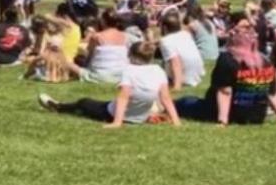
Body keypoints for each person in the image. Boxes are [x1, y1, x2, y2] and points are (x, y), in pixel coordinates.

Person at [175, 20, 276, 126]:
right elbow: (271, 94)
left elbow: (225, 92)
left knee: (184, 102)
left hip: (223, 113)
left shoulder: (227, 60)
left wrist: (222, 121)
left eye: (233, 32)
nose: (230, 34)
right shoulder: (266, 62)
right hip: (256, 117)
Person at [38, 41, 180, 128]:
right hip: (140, 117)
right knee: (104, 103)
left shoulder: (129, 70)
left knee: (84, 102)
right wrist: (176, 121)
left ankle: (58, 107)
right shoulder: (157, 70)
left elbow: (124, 97)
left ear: (130, 55)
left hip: (116, 114)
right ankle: (59, 106)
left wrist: (117, 122)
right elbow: (166, 98)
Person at [78, 8, 131, 84]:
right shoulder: (125, 36)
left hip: (99, 75)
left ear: (103, 21)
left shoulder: (97, 37)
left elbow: (89, 55)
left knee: (70, 62)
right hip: (121, 74)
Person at [159, 11, 205, 91]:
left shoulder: (165, 41)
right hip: (196, 76)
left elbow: (175, 63)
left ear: (165, 28)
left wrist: (177, 87)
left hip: (184, 79)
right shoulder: (185, 34)